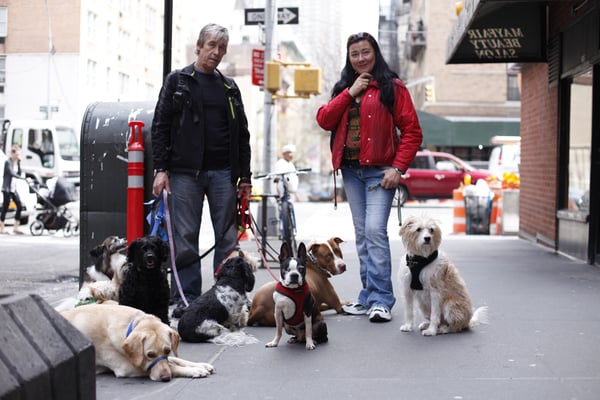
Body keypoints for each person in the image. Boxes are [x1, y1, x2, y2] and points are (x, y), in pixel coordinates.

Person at [316, 32, 422, 323]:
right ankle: (367, 297)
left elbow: (412, 131)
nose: (361, 58)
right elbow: (324, 120)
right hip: (351, 171)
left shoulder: (393, 88)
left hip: (380, 172)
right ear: (349, 58)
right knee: (362, 236)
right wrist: (350, 92)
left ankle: (381, 300)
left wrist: (397, 168)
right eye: (355, 54)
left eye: (365, 52)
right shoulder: (344, 88)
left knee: (375, 232)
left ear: (375, 53)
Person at [151, 23, 252, 319]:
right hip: (184, 173)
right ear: (198, 46)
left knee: (227, 237)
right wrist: (161, 169)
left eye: (221, 48)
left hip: (223, 173)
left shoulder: (229, 87)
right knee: (184, 236)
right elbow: (160, 125)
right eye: (211, 45)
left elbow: (242, 135)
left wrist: (244, 176)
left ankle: (227, 298)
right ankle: (187, 297)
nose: (216, 52)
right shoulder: (178, 81)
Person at [1, 145, 25, 235]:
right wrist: (22, 178)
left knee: (19, 205)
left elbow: (18, 173)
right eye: (17, 154)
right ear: (13, 154)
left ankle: (16, 227)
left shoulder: (16, 163)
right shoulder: (8, 162)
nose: (18, 156)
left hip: (13, 188)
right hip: (7, 188)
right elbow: (12, 173)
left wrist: (19, 163)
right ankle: (1, 227)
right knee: (5, 207)